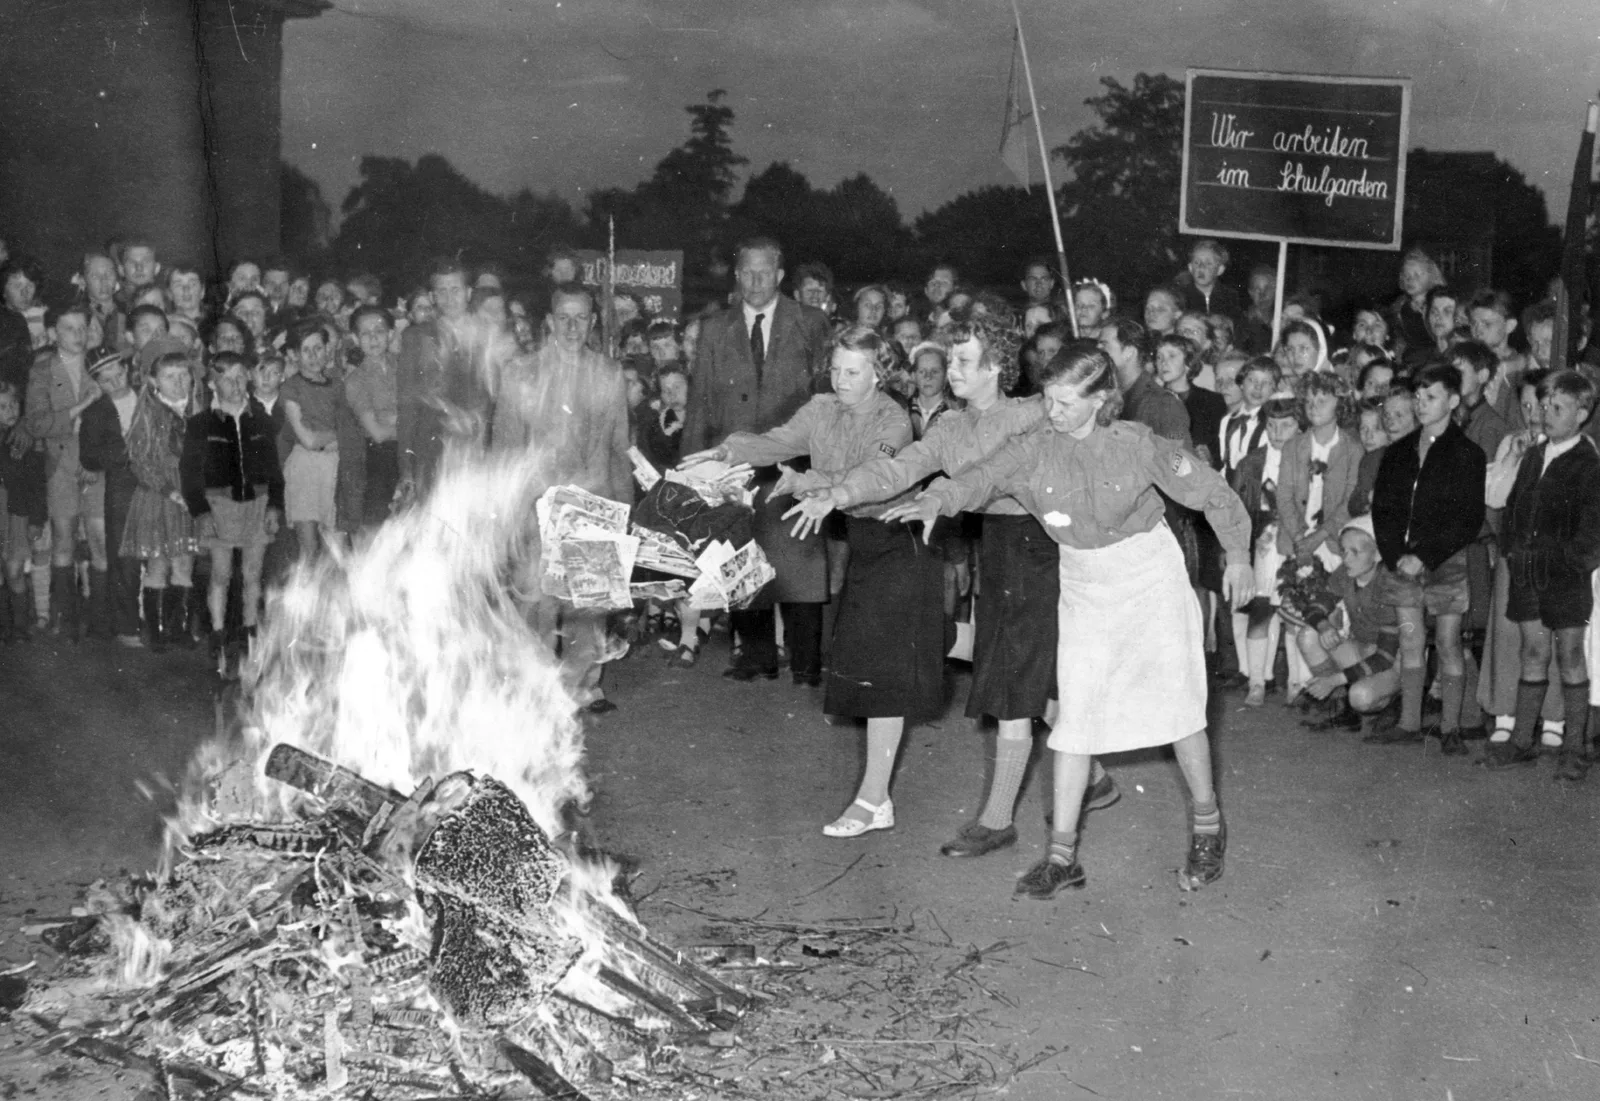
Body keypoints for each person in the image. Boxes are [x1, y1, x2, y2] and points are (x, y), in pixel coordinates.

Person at [884, 341, 1252, 896]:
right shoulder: (1035, 448)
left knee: (1178, 710)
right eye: (1048, 400)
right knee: (1076, 720)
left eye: (1063, 403)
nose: (1050, 412)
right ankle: (1062, 857)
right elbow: (980, 477)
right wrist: (937, 501)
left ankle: (1208, 826)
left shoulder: (1140, 445)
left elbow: (1213, 493)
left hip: (1148, 576)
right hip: (1084, 583)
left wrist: (1241, 556)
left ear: (1101, 399)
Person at [789, 316, 1121, 858]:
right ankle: (1097, 775)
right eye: (952, 358)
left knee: (1013, 677)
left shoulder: (1032, 414)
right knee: (1018, 667)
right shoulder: (949, 427)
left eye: (965, 360)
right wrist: (839, 493)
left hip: (1046, 547)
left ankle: (997, 821)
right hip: (1000, 545)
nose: (952, 369)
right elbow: (899, 469)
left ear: (996, 366)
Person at [687, 325, 941, 837]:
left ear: (878, 374)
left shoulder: (894, 422)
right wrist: (729, 452)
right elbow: (777, 441)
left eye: (853, 372)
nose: (841, 379)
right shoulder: (823, 408)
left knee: (883, 674)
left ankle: (873, 802)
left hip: (901, 545)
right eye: (836, 369)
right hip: (862, 548)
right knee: (888, 661)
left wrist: (813, 485)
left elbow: (876, 477)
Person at [682, 237, 832, 684]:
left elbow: (826, 400)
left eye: (764, 272)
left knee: (801, 563)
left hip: (795, 466)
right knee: (744, 558)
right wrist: (691, 470)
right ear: (736, 275)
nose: (755, 281)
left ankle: (807, 663)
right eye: (746, 272)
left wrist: (827, 469)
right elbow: (699, 402)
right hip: (735, 468)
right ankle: (757, 656)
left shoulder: (811, 322)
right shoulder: (715, 327)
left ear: (781, 275)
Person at [493, 284, 632, 713]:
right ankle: (533, 691)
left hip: (593, 502)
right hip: (538, 505)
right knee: (536, 605)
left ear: (592, 323)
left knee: (588, 606)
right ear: (550, 322)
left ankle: (584, 688)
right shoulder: (521, 372)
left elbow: (618, 447)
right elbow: (505, 448)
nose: (572, 327)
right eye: (563, 318)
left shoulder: (608, 373)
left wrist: (623, 512)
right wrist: (509, 513)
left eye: (581, 318)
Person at [1484, 370, 1600, 780]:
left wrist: (1570, 561)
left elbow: (1592, 531)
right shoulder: (1533, 455)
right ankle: (1521, 741)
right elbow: (1513, 509)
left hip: (1565, 579)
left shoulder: (1588, 463)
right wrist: (1514, 552)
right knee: (1532, 653)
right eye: (1543, 406)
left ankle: (1574, 747)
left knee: (1570, 656)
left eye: (1558, 408)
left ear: (1582, 413)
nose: (1546, 415)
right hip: (1527, 573)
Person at [1369, 363, 1487, 751]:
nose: (1421, 405)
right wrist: (1395, 554)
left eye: (1430, 397)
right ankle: (1409, 723)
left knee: (1450, 642)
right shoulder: (1399, 451)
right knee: (1410, 640)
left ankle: (1450, 728)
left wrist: (1426, 555)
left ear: (1453, 401)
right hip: (1401, 562)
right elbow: (1382, 510)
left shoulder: (1468, 453)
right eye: (1417, 397)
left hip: (1444, 562)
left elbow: (1467, 519)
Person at [181, 352, 283, 662]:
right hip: (219, 505)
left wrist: (274, 505)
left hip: (257, 502)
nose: (235, 384)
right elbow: (190, 472)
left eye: (240, 377)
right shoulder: (201, 424)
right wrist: (201, 511)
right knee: (221, 573)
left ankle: (250, 630)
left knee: (253, 573)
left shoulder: (261, 420)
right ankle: (218, 630)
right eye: (226, 379)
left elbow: (273, 467)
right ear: (213, 385)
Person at [26, 304, 103, 638]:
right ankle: (63, 616)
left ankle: (101, 619)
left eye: (82, 327)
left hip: (97, 462)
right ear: (54, 333)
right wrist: (81, 407)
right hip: (61, 463)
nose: (78, 335)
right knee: (62, 538)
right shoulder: (42, 371)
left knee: (100, 539)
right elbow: (38, 423)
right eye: (69, 328)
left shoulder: (99, 365)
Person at [1293, 515, 1401, 730]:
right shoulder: (1345, 573)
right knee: (1308, 635)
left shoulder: (1389, 583)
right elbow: (1315, 607)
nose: (1346, 558)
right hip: (1362, 649)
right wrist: (1324, 625)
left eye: (1356, 552)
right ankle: (1341, 703)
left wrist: (1333, 680)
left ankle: (1396, 700)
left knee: (1360, 696)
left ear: (1378, 554)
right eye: (1344, 551)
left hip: (1392, 661)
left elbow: (1385, 656)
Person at [122, 351, 198, 651]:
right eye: (170, 377)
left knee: (184, 563)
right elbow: (140, 462)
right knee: (157, 565)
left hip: (190, 495)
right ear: (154, 382)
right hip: (160, 496)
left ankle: (177, 628)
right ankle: (154, 630)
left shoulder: (195, 411)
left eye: (184, 375)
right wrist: (172, 491)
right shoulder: (149, 413)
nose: (179, 382)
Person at [396, 258, 485, 501]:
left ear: (468, 293)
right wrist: (406, 469)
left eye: (455, 289)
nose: (449, 298)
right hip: (432, 453)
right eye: (441, 291)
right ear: (433, 297)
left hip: (478, 453)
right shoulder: (416, 338)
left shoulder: (487, 337)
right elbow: (407, 407)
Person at [78, 349, 142, 645]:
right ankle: (125, 625)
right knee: (123, 553)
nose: (116, 382)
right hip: (121, 484)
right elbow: (89, 458)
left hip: (156, 482)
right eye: (107, 380)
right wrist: (122, 453)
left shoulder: (147, 397)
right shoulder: (96, 411)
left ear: (128, 369)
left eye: (120, 374)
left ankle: (158, 620)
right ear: (97, 383)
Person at [279, 321, 343, 558]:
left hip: (335, 464)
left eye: (319, 348)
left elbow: (351, 428)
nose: (314, 356)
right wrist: (338, 436)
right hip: (305, 467)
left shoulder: (338, 384)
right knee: (309, 548)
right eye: (306, 350)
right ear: (294, 355)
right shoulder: (291, 388)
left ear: (328, 349)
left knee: (337, 546)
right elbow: (307, 439)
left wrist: (333, 438)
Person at [344, 305, 400, 530]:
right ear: (355, 339)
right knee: (379, 529)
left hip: (412, 453)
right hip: (380, 459)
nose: (373, 338)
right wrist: (405, 420)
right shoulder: (355, 381)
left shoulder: (404, 366)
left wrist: (394, 419)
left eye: (379, 330)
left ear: (391, 334)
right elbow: (376, 432)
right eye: (365, 333)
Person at [0, 380, 40, 641]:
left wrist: (36, 519)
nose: (10, 410)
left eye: (14, 404)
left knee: (15, 570)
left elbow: (36, 483)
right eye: (3, 406)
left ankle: (20, 627)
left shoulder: (24, 438)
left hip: (16, 513)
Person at [1180, 240, 1243, 322]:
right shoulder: (1181, 296)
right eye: (1196, 262)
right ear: (1190, 268)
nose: (1201, 267)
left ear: (1220, 270)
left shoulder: (1230, 297)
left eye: (1208, 263)